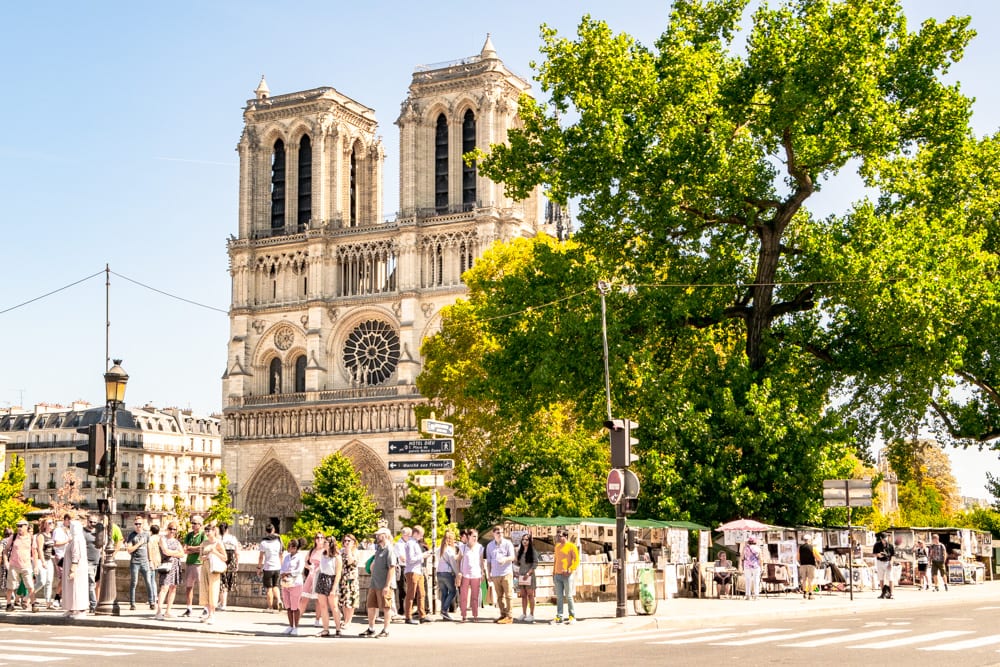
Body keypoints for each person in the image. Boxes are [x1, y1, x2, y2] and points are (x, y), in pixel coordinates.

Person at [360, 527, 396, 638]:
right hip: (374, 583)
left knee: (386, 607)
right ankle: (371, 628)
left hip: (383, 584)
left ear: (385, 535)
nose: (377, 537)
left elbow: (391, 568)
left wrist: (387, 585)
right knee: (371, 606)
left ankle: (386, 629)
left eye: (379, 535)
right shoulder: (379, 549)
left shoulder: (389, 549)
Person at [154, 522, 185, 620]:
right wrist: (176, 553)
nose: (172, 531)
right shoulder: (163, 539)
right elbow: (165, 551)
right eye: (171, 529)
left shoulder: (176, 541)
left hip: (175, 565)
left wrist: (173, 553)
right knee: (164, 588)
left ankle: (168, 611)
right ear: (168, 529)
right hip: (167, 565)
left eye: (174, 529)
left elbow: (182, 554)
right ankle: (159, 611)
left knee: (173, 588)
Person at [485, 525, 516, 624]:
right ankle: (503, 614)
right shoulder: (490, 546)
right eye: (498, 533)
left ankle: (509, 616)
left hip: (506, 573)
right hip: (495, 574)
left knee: (508, 595)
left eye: (502, 532)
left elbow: (512, 557)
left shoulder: (508, 543)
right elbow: (488, 561)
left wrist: (505, 559)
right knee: (499, 596)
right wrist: (489, 574)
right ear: (493, 534)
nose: (500, 534)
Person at [198, 522, 227, 625]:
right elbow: (200, 557)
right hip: (205, 567)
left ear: (214, 531)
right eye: (205, 531)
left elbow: (225, 557)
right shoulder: (204, 543)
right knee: (204, 589)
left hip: (214, 569)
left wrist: (214, 552)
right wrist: (205, 557)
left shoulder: (218, 543)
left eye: (208, 531)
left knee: (213, 590)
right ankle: (207, 613)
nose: (207, 532)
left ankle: (212, 615)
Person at [125, 516, 156, 611]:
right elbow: (129, 550)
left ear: (143, 525)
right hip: (135, 562)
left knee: (148, 582)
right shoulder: (131, 535)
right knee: (134, 582)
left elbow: (149, 548)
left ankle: (152, 602)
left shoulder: (146, 535)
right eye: (136, 524)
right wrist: (139, 544)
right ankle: (132, 603)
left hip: (145, 561)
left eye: (140, 524)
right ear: (134, 525)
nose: (138, 526)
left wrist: (151, 561)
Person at [6, 519, 37, 612]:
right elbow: (6, 549)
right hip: (14, 565)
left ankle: (33, 605)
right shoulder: (13, 536)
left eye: (21, 526)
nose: (19, 528)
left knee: (30, 586)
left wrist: (35, 566)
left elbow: (34, 553)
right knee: (10, 586)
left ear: (26, 526)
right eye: (17, 526)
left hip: (26, 565)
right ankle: (8, 605)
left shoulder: (31, 538)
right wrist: (6, 562)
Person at [403, 525, 431, 624]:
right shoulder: (410, 543)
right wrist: (422, 555)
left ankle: (422, 615)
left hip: (418, 571)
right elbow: (410, 559)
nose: (422, 537)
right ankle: (408, 616)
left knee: (422, 594)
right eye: (421, 535)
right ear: (415, 533)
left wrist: (424, 556)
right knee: (411, 594)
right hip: (412, 571)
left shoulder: (415, 543)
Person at [61, 519, 89, 618]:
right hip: (72, 567)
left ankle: (81, 610)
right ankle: (72, 608)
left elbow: (76, 555)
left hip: (76, 569)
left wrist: (72, 569)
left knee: (78, 588)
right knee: (71, 588)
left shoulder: (77, 539)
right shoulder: (75, 539)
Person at [315, 535, 342, 637]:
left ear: (330, 544)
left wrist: (334, 588)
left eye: (325, 542)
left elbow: (338, 573)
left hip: (331, 580)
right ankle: (325, 629)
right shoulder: (323, 554)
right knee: (323, 606)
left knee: (334, 606)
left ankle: (338, 628)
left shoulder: (337, 557)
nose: (323, 543)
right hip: (322, 579)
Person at [457, 528, 484, 623]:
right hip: (465, 574)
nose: (475, 538)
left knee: (475, 596)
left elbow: (481, 561)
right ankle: (463, 615)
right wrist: (458, 571)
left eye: (476, 536)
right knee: (464, 596)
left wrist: (483, 572)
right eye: (473, 536)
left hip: (476, 574)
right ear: (468, 536)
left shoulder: (480, 547)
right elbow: (458, 559)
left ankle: (475, 615)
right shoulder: (463, 547)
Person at [552, 529, 579, 624]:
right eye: (557, 536)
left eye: (560, 536)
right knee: (559, 597)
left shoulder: (572, 546)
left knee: (569, 596)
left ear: (565, 536)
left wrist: (570, 569)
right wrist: (553, 572)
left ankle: (572, 616)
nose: (558, 537)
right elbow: (556, 560)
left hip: (567, 575)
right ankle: (559, 616)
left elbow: (576, 560)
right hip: (557, 574)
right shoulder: (557, 547)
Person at [280, 538, 306, 635]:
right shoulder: (287, 557)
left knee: (295, 606)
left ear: (295, 548)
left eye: (290, 546)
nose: (288, 548)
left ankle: (296, 627)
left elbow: (299, 570)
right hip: (286, 583)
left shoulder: (300, 557)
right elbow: (282, 568)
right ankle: (290, 626)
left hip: (296, 583)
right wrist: (283, 573)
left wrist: (289, 573)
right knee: (288, 606)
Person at [181, 515, 205, 617]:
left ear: (200, 525)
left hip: (199, 563)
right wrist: (195, 549)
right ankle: (189, 608)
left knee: (202, 587)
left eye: (195, 523)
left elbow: (203, 548)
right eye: (192, 523)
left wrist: (191, 548)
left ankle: (205, 608)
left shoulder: (203, 535)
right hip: (190, 562)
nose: (193, 525)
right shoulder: (189, 535)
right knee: (189, 587)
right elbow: (185, 549)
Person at [257, 524, 284, 612]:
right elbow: (281, 555)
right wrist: (281, 566)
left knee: (269, 588)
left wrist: (259, 567)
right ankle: (279, 600)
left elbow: (261, 557)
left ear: (266, 531)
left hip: (268, 567)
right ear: (274, 530)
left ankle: (270, 607)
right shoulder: (278, 541)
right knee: (276, 586)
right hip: (277, 567)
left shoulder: (263, 543)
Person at [299, 533, 325, 626]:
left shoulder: (325, 551)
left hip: (320, 576)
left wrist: (319, 568)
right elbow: (305, 562)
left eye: (322, 537)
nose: (319, 539)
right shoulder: (312, 551)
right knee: (304, 598)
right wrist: (309, 567)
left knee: (319, 600)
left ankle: (318, 619)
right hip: (310, 576)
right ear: (315, 539)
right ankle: (297, 618)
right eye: (318, 537)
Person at [33, 517, 56, 610]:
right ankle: (27, 596)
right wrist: (42, 561)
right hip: (41, 560)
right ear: (45, 525)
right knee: (41, 581)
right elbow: (39, 550)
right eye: (49, 523)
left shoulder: (51, 535)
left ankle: (48, 603)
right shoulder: (41, 536)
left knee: (49, 582)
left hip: (49, 559)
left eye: (52, 523)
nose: (51, 524)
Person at [339, 533, 360, 629]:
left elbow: (351, 562)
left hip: (351, 579)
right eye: (345, 541)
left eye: (349, 541)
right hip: (343, 578)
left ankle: (349, 621)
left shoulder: (355, 552)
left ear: (353, 542)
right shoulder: (341, 551)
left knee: (350, 601)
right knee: (343, 600)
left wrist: (348, 551)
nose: (346, 542)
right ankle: (345, 619)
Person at [436, 530, 458, 621]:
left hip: (439, 573)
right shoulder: (449, 550)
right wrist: (457, 573)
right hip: (447, 573)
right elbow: (453, 563)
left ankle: (443, 613)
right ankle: (444, 610)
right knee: (453, 592)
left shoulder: (439, 549)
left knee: (444, 593)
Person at [83, 516, 103, 613]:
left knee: (92, 584)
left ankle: (89, 604)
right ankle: (93, 605)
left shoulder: (97, 533)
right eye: (91, 522)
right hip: (87, 562)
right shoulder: (83, 532)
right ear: (87, 521)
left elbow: (102, 544)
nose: (93, 524)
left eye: (95, 522)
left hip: (97, 561)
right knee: (91, 584)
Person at [219, 522, 240, 611]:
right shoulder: (233, 538)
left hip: (221, 561)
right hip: (231, 561)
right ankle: (222, 602)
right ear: (227, 529)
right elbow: (237, 552)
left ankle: (222, 603)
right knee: (227, 583)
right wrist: (237, 564)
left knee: (222, 583)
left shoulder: (219, 539)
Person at [516, 532, 537, 622]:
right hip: (521, 575)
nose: (525, 541)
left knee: (530, 595)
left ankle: (531, 614)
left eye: (527, 540)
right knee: (523, 595)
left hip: (529, 575)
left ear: (530, 541)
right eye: (523, 539)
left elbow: (535, 564)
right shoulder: (520, 551)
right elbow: (517, 563)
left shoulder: (533, 551)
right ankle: (524, 613)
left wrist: (528, 573)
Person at [393, 527, 411, 617]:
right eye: (409, 535)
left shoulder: (408, 543)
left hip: (409, 568)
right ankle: (402, 610)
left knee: (409, 590)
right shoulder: (399, 545)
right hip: (403, 568)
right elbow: (402, 559)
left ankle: (408, 610)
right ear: (404, 535)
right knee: (403, 590)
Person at [873, 532, 895, 599]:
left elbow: (893, 555)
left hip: (888, 562)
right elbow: (874, 554)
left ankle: (892, 594)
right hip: (880, 562)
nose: (885, 540)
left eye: (886, 539)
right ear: (881, 539)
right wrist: (878, 555)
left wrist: (891, 563)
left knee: (890, 578)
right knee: (881, 578)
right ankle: (883, 593)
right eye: (884, 539)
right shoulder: (877, 545)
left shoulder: (890, 545)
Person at [741, 536, 763, 601]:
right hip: (755, 566)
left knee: (748, 580)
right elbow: (760, 559)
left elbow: (742, 558)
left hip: (747, 566)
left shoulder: (745, 548)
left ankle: (748, 595)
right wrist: (762, 567)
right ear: (755, 541)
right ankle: (756, 595)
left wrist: (742, 565)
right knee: (756, 580)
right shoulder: (758, 548)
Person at [798, 536, 817, 600]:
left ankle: (804, 593)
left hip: (803, 565)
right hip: (811, 565)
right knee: (810, 580)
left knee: (804, 580)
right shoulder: (812, 547)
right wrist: (819, 561)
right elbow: (818, 557)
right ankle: (810, 594)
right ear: (809, 540)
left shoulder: (800, 547)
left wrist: (801, 561)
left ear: (804, 540)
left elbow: (797, 557)